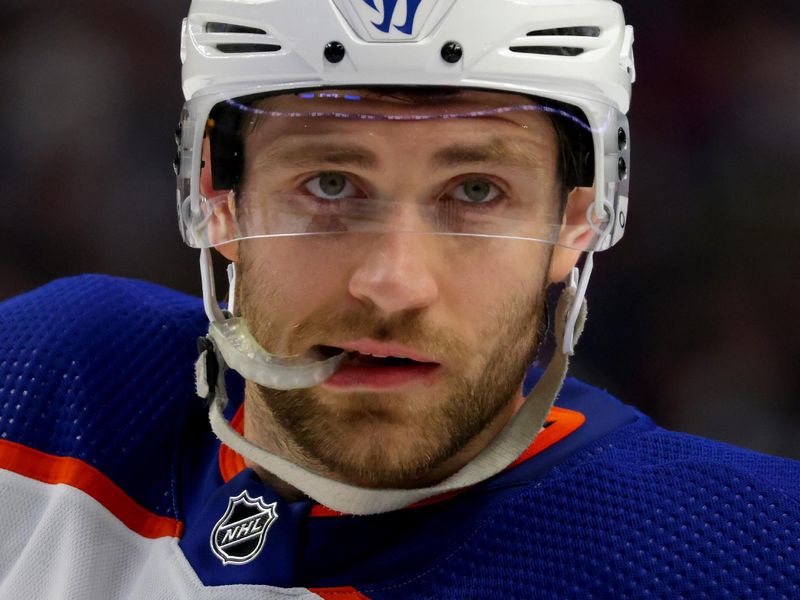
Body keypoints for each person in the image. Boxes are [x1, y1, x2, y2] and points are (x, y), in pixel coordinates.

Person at [0, 0, 798, 598]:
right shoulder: (51, 391)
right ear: (220, 199)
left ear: (580, 220)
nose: (391, 282)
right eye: (330, 184)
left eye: (477, 191)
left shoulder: (746, 554)